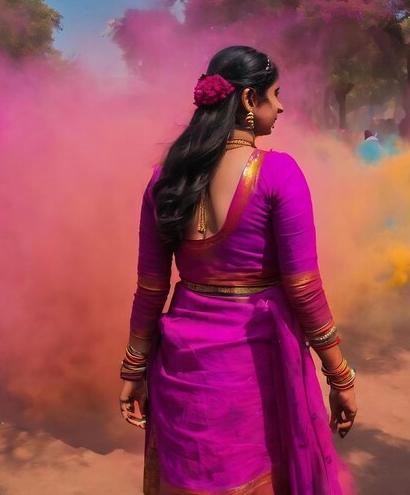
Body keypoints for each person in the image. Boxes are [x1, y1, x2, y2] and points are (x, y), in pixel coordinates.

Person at [119, 46, 356, 494]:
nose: (282, 106)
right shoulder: (279, 173)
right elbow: (303, 288)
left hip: (182, 367)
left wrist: (133, 368)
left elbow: (150, 288)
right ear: (249, 100)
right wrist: (340, 375)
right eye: (276, 94)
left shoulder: (164, 179)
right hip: (255, 370)